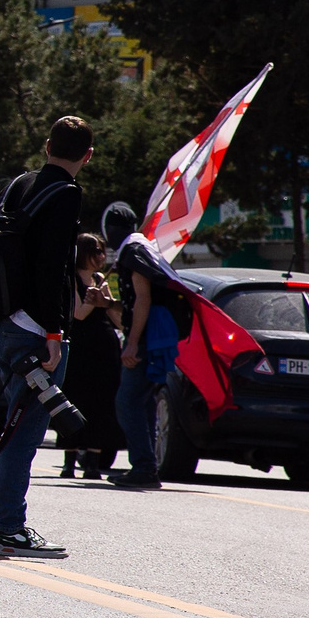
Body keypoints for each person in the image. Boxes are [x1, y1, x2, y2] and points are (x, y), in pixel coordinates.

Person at [0, 117, 91, 558]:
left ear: (46, 145)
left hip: (3, 317)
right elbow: (51, 267)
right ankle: (10, 527)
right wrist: (55, 332)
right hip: (38, 327)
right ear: (87, 156)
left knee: (13, 424)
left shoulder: (21, 183)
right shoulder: (67, 193)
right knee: (26, 430)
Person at [107, 201, 179, 490]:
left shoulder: (134, 252)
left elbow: (143, 298)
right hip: (154, 334)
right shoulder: (142, 247)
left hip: (148, 338)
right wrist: (108, 303)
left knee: (127, 402)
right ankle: (146, 464)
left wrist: (132, 343)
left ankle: (144, 467)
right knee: (142, 403)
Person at [59, 232, 124, 480]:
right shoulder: (72, 278)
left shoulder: (100, 279)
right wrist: (95, 295)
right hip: (79, 348)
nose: (100, 256)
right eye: (95, 250)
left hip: (103, 347)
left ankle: (94, 461)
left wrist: (106, 300)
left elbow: (116, 319)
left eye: (102, 251)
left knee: (101, 404)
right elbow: (79, 313)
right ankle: (70, 461)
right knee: (75, 400)